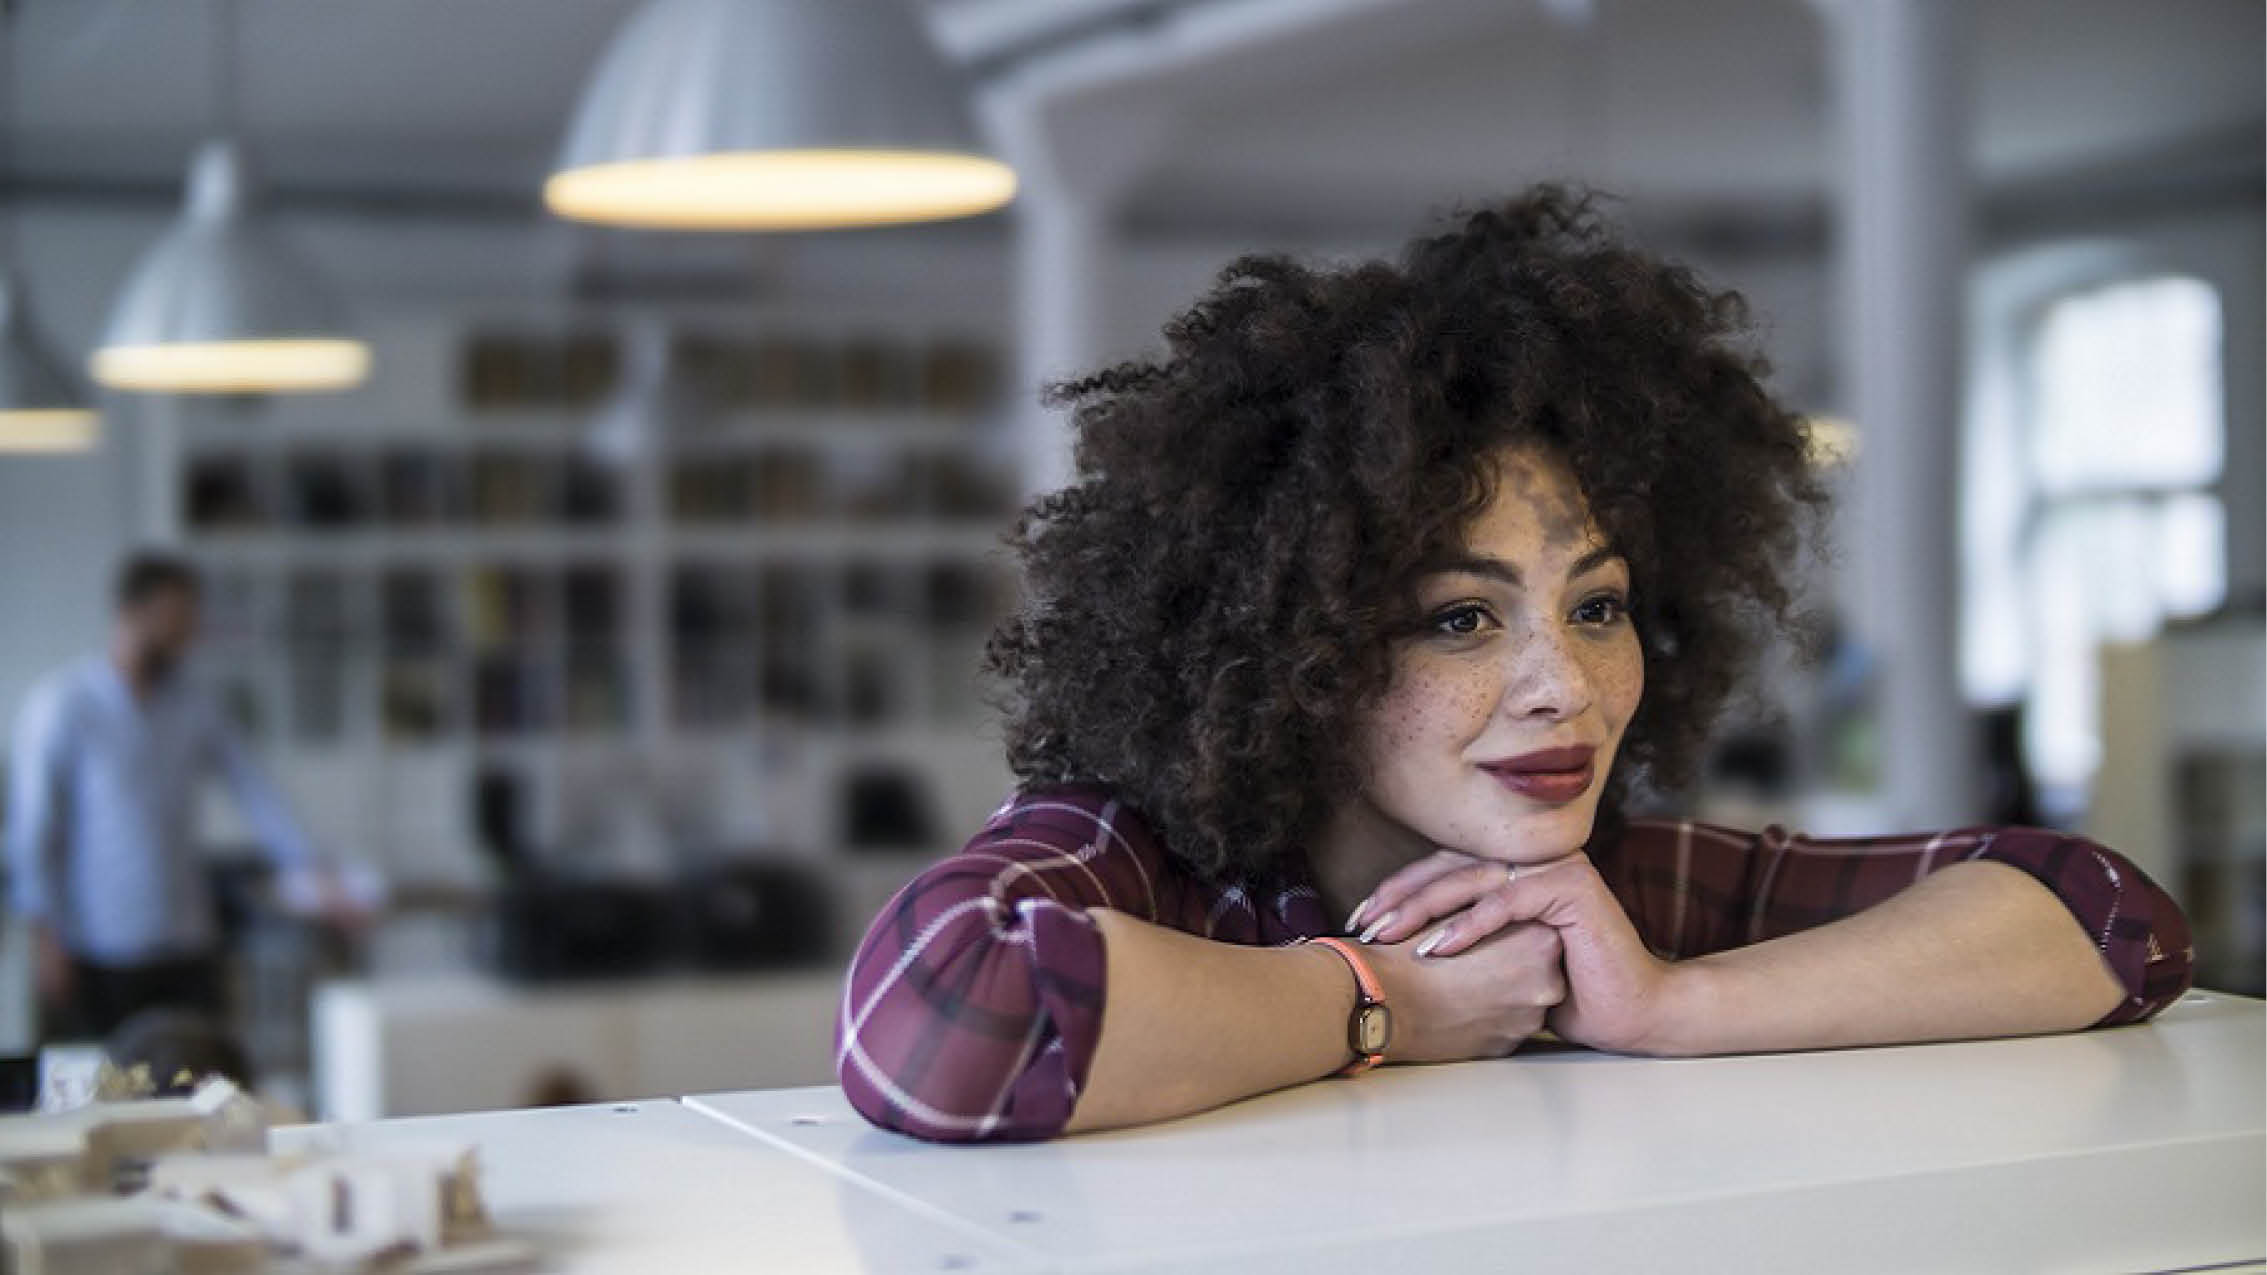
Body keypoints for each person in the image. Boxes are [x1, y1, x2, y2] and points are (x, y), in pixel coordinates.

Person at [834, 189, 2195, 1144]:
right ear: (1287, 649)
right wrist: (1388, 1002)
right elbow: (942, 1023)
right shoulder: (1135, 848)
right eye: (1457, 619)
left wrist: (1669, 1001)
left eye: (1595, 606)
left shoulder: (1597, 891)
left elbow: (2104, 917)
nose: (1568, 686)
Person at [5, 553, 373, 1041]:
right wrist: (43, 939)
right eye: (177, 616)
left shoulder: (195, 706)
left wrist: (314, 871)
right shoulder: (64, 706)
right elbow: (34, 829)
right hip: (100, 945)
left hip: (186, 937)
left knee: (202, 1081)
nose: (188, 632)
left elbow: (256, 792)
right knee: (114, 1089)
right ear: (133, 612)